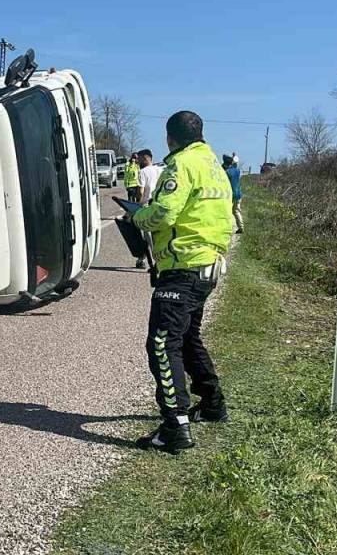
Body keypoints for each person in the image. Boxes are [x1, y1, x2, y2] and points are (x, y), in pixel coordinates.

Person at [124, 111, 233, 453]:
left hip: (183, 266)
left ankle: (175, 424)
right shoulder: (215, 167)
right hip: (209, 265)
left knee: (162, 343)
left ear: (170, 138)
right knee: (187, 337)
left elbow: (164, 213)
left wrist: (136, 216)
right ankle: (213, 403)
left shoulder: (181, 166)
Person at [131, 150, 161, 269]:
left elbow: (141, 191)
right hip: (157, 205)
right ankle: (141, 259)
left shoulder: (143, 172)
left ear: (145, 158)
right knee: (153, 235)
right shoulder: (159, 170)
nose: (137, 161)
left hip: (146, 206)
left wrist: (138, 205)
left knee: (147, 235)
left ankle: (155, 262)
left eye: (139, 158)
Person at [223, 153, 244, 233]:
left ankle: (229, 227)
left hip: (231, 194)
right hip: (239, 193)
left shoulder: (227, 172)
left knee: (230, 210)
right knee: (236, 210)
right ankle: (240, 226)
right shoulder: (238, 171)